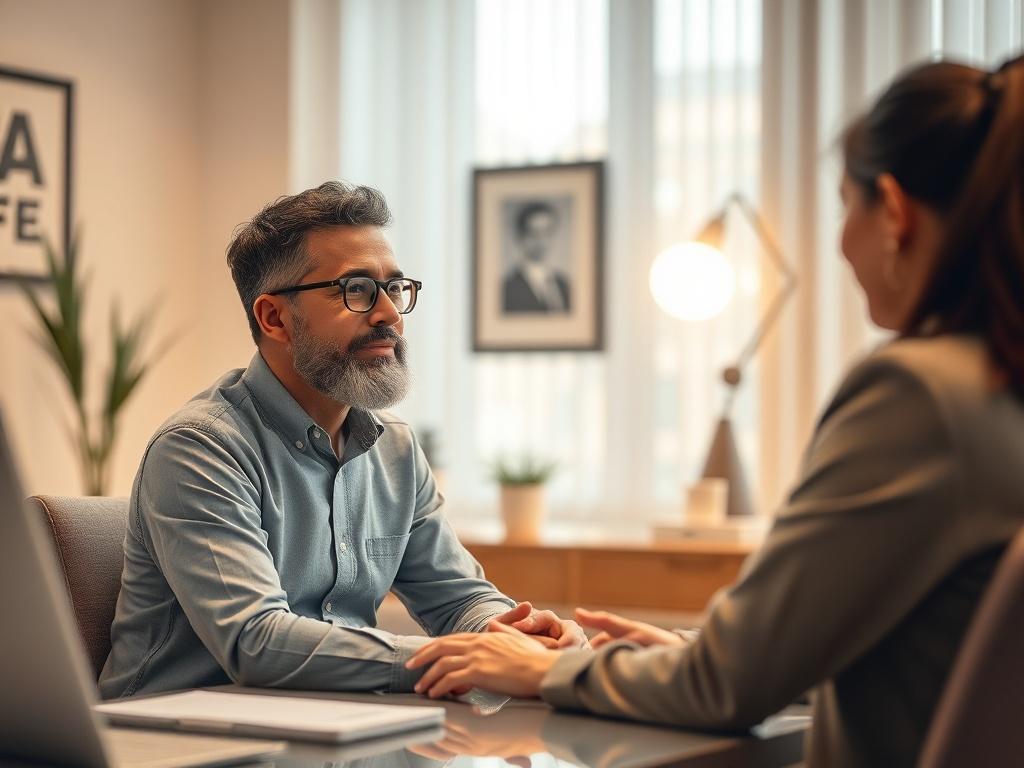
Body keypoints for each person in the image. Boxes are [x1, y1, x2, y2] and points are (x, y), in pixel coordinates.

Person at [406, 54, 1024, 767]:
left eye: (843, 207)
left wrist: (550, 670)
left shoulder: (919, 395)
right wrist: (688, 661)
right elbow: (921, 661)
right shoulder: (997, 393)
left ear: (893, 212)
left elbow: (725, 688)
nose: (840, 243)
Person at [99, 182, 584, 700]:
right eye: (357, 289)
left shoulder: (395, 449)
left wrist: (518, 638)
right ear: (275, 318)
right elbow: (255, 641)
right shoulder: (200, 449)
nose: (389, 314)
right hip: (175, 732)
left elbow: (458, 599)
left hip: (332, 722)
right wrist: (463, 660)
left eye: (395, 288)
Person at [502, 200, 572, 313]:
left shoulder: (564, 284)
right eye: (534, 233)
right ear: (520, 237)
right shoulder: (507, 289)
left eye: (547, 232)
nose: (541, 241)